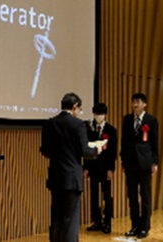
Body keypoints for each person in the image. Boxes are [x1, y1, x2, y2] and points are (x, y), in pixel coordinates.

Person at [40, 92, 101, 242]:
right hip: (72, 178)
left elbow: (45, 151)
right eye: (79, 109)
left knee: (56, 218)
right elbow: (85, 151)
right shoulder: (78, 124)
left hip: (55, 177)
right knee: (70, 220)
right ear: (75, 106)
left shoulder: (50, 123)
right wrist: (96, 150)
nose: (78, 112)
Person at [120, 92, 159, 238]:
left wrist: (155, 162)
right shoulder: (127, 119)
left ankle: (145, 227)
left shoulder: (151, 120)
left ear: (144, 104)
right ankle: (134, 225)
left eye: (138, 102)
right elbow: (124, 141)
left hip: (145, 163)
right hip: (130, 162)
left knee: (145, 196)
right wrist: (123, 160)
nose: (135, 104)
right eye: (133, 102)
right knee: (132, 196)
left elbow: (155, 142)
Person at [83, 102, 117, 234]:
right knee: (94, 195)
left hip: (105, 167)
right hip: (92, 166)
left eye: (101, 114)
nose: (99, 116)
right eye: (97, 114)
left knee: (107, 195)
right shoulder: (89, 129)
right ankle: (96, 221)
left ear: (105, 115)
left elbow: (113, 152)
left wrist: (111, 169)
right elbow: (86, 149)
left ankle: (107, 222)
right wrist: (86, 168)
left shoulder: (111, 130)